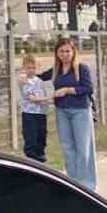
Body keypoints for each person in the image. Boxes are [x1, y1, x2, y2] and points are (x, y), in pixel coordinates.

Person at [42, 37, 96, 190]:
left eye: (68, 51)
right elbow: (38, 78)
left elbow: (88, 88)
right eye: (61, 51)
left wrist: (68, 90)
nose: (65, 54)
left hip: (80, 111)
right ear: (57, 53)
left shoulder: (81, 68)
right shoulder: (55, 70)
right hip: (62, 112)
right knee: (67, 148)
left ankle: (87, 186)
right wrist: (25, 76)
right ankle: (74, 184)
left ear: (73, 52)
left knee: (83, 149)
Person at [19, 53, 49, 163]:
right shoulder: (24, 80)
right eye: (28, 68)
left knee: (41, 135)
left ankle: (40, 154)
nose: (31, 70)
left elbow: (41, 93)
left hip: (41, 113)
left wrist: (47, 102)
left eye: (34, 68)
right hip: (29, 113)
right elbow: (32, 98)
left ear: (38, 67)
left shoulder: (39, 80)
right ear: (24, 68)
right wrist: (49, 98)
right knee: (31, 136)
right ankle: (31, 156)